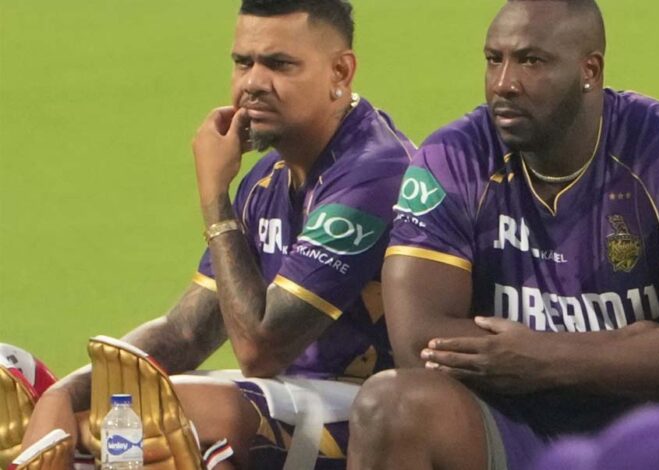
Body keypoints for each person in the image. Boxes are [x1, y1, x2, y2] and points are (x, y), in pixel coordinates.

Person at [347, 1, 659, 469]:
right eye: (494, 59)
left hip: (650, 428)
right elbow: (419, 340)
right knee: (390, 404)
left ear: (589, 70)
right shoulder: (452, 158)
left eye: (531, 61)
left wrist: (548, 357)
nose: (504, 83)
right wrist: (619, 345)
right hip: (509, 421)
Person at [14, 0, 413, 468]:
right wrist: (65, 394)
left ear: (340, 72)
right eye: (243, 62)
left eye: (279, 64)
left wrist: (215, 197)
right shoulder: (267, 178)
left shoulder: (375, 173)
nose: (252, 83)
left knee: (177, 412)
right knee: (74, 404)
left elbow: (260, 350)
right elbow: (186, 331)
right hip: (294, 402)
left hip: (379, 420)